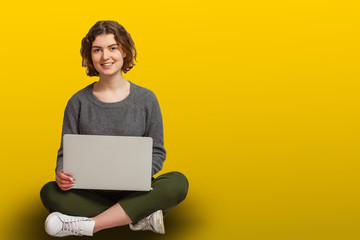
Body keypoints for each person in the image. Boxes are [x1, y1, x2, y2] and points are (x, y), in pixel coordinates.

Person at [40, 20, 189, 237]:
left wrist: (135, 173)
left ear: (125, 52)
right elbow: (65, 153)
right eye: (97, 50)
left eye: (113, 48)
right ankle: (139, 218)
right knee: (49, 192)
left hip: (137, 190)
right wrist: (61, 173)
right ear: (89, 56)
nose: (105, 56)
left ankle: (91, 224)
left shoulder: (147, 99)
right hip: (90, 192)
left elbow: (157, 153)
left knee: (177, 182)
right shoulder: (77, 102)